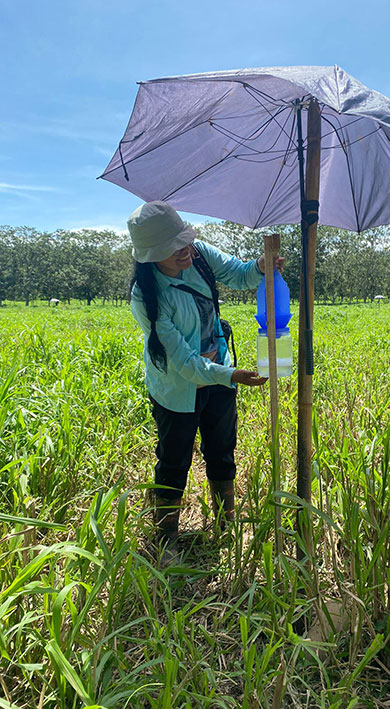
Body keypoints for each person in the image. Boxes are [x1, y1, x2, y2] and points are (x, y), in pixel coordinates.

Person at [127, 201, 284, 551]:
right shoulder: (145, 297)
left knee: (222, 449)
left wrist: (260, 266)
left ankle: (225, 526)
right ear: (150, 256)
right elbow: (183, 362)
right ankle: (166, 538)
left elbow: (238, 273)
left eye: (184, 242)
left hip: (222, 376)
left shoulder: (198, 254)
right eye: (173, 249)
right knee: (174, 458)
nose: (184, 252)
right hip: (177, 388)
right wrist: (230, 375)